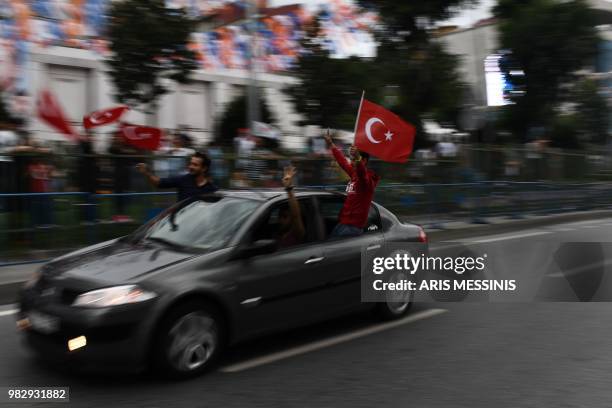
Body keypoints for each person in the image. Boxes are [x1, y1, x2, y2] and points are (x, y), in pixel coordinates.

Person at [324, 130, 380, 237]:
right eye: (351, 159)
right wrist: (331, 144)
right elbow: (342, 162)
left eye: (353, 160)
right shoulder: (354, 174)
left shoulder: (367, 181)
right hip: (343, 223)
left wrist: (358, 159)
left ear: (363, 161)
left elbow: (362, 174)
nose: (351, 162)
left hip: (353, 228)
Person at [137, 151, 218, 202]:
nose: (190, 167)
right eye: (190, 163)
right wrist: (146, 172)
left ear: (204, 168)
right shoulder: (183, 179)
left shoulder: (212, 189)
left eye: (195, 165)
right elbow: (159, 183)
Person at [277, 165, 305, 248]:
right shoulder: (278, 232)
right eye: (280, 216)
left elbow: (296, 216)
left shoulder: (297, 233)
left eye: (285, 216)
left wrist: (289, 189)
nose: (280, 220)